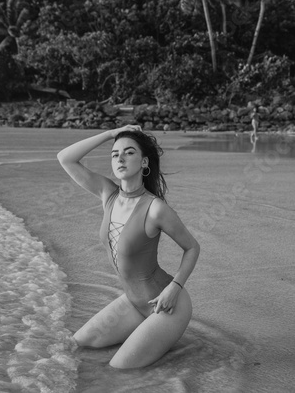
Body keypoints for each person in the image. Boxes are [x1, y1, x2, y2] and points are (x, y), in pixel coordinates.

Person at [57, 125, 200, 369]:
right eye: (115, 154)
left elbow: (192, 248)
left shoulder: (155, 208)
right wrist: (111, 133)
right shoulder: (108, 195)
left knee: (118, 369)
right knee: (75, 345)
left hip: (168, 306)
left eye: (129, 152)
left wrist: (174, 288)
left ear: (144, 162)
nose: (120, 158)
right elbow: (65, 158)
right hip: (133, 302)